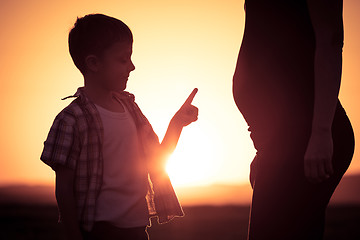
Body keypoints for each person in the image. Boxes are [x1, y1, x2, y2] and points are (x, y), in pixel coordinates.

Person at [41, 13, 198, 240]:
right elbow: (64, 190)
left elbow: (158, 156)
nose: (132, 66)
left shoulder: (132, 110)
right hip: (97, 232)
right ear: (93, 63)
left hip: (137, 230)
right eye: (123, 59)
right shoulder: (71, 120)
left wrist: (177, 123)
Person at [232, 0, 354, 239]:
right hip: (281, 144)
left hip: (306, 138)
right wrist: (263, 148)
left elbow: (331, 40)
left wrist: (320, 132)